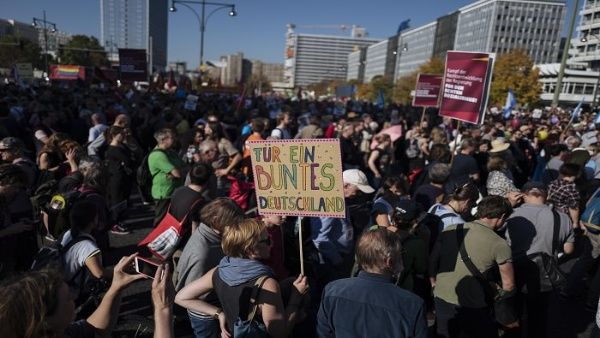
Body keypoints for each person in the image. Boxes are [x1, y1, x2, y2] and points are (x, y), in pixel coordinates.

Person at [175, 218, 309, 338]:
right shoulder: (267, 284)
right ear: (249, 249)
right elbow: (279, 332)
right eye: (267, 240)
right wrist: (296, 297)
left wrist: (219, 313)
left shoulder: (219, 270)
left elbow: (181, 297)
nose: (271, 243)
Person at [0, 253, 173, 338]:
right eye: (67, 299)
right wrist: (163, 310)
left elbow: (94, 329)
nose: (74, 300)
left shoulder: (56, 331)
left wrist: (116, 288)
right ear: (43, 320)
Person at [430, 196, 517, 338]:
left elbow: (433, 260)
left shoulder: (450, 229)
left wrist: (433, 284)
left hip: (442, 295)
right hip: (474, 303)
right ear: (501, 217)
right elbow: (509, 285)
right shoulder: (499, 243)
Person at [317, 228, 428, 338]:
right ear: (389, 262)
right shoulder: (412, 304)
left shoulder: (332, 290)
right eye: (400, 255)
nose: (402, 260)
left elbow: (324, 333)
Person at [506, 182, 574, 338]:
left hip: (513, 271)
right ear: (547, 196)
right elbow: (568, 249)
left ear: (523, 195)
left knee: (513, 313)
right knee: (538, 316)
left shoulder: (510, 215)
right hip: (544, 274)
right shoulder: (562, 218)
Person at [176, 198, 244, 338]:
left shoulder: (212, 234)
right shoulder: (202, 253)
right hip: (207, 315)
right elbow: (188, 295)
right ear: (216, 220)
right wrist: (218, 312)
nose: (236, 226)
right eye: (231, 222)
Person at [310, 169, 375, 295]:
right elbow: (320, 238)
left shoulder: (337, 199)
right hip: (331, 260)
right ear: (346, 186)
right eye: (357, 190)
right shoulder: (331, 201)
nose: (358, 194)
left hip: (338, 256)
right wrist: (337, 260)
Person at [60, 200, 105, 299]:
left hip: (62, 285)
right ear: (91, 222)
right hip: (74, 294)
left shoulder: (68, 233)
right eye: (96, 216)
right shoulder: (87, 246)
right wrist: (119, 269)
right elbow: (99, 274)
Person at [149, 128, 185, 226]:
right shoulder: (158, 155)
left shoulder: (170, 152)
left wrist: (176, 172)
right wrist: (177, 172)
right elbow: (178, 173)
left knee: (172, 221)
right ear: (163, 140)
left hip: (174, 192)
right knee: (160, 221)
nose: (175, 139)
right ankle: (155, 240)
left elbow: (184, 167)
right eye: (172, 138)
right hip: (163, 194)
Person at [104, 126, 135, 235]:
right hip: (116, 178)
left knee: (123, 200)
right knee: (117, 201)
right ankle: (114, 224)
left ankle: (120, 221)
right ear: (113, 135)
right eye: (121, 134)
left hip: (124, 177)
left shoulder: (122, 146)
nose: (123, 135)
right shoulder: (112, 149)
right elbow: (127, 160)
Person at [548, 163, 582, 228]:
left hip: (549, 212)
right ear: (577, 174)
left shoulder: (554, 182)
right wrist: (575, 223)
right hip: (563, 217)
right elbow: (573, 208)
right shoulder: (572, 189)